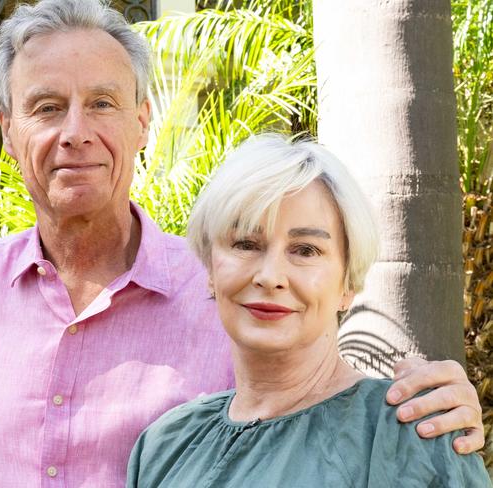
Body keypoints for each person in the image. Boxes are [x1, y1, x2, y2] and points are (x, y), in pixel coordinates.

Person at [0, 0, 485, 486]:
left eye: (101, 103)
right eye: (45, 107)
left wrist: (435, 407)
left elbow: (321, 397)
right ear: (9, 130)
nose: (75, 131)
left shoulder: (224, 285)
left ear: (142, 119)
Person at [126, 134, 492, 487]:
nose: (270, 277)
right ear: (209, 269)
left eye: (306, 250)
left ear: (348, 283)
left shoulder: (413, 435)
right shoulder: (164, 446)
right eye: (246, 244)